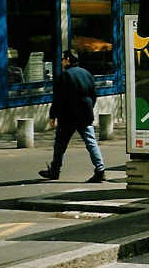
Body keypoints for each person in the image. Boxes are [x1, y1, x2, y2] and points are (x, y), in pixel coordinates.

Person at [39, 50, 106, 182]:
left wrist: (53, 116)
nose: (62, 61)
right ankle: (100, 169)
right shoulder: (87, 74)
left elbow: (58, 99)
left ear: (68, 60)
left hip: (67, 116)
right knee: (91, 142)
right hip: (85, 114)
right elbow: (93, 95)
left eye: (63, 59)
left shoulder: (64, 76)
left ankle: (55, 170)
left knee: (60, 144)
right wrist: (88, 108)